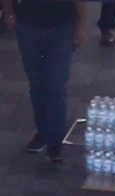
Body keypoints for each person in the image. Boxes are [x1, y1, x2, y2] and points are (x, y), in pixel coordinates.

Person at [2, 0, 86, 163]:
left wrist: (81, 26)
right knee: (37, 81)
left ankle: (54, 141)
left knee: (55, 83)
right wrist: (8, 12)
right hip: (28, 25)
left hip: (61, 26)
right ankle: (43, 131)